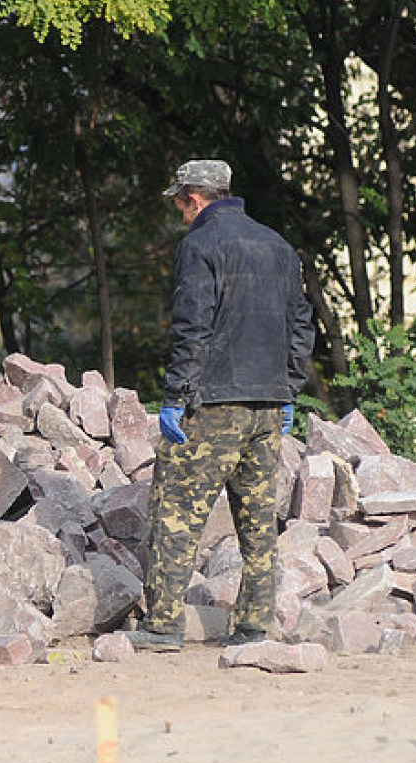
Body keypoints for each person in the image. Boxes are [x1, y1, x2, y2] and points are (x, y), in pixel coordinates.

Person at [127, 159, 315, 652]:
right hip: (269, 406)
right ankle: (254, 626)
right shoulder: (278, 246)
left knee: (175, 512)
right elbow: (301, 325)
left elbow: (192, 326)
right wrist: (289, 389)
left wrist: (174, 398)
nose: (179, 212)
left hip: (212, 403)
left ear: (194, 197)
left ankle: (164, 626)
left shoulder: (200, 245)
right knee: (258, 523)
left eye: (179, 202)